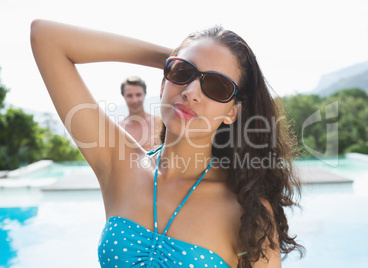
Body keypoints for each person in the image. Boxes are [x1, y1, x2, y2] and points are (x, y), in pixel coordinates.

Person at [30, 19, 304, 267]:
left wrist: (188, 63)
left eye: (217, 86)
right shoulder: (120, 166)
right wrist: (171, 58)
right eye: (183, 73)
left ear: (232, 112)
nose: (191, 92)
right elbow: (46, 37)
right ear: (163, 83)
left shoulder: (248, 210)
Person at [119, 75, 162, 151]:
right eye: (129, 96)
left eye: (138, 95)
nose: (134, 100)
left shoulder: (159, 122)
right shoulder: (119, 128)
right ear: (123, 96)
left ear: (144, 94)